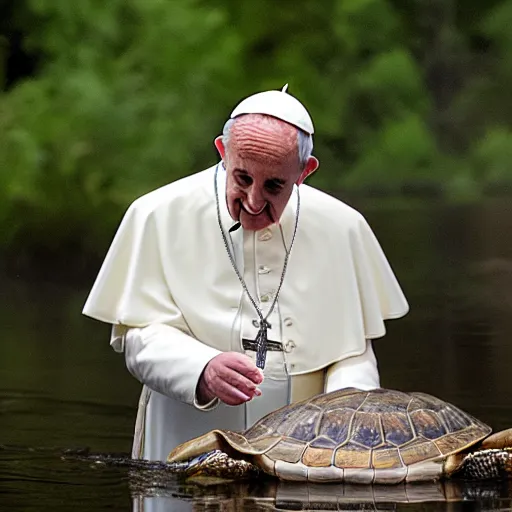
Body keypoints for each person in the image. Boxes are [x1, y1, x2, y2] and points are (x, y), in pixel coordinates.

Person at [82, 86, 409, 463]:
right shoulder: (157, 214)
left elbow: (352, 353)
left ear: (305, 171)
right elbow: (138, 338)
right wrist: (200, 368)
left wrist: (346, 419)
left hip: (305, 457)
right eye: (241, 178)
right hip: (187, 438)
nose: (254, 201)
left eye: (274, 185)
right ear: (222, 152)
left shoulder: (344, 228)